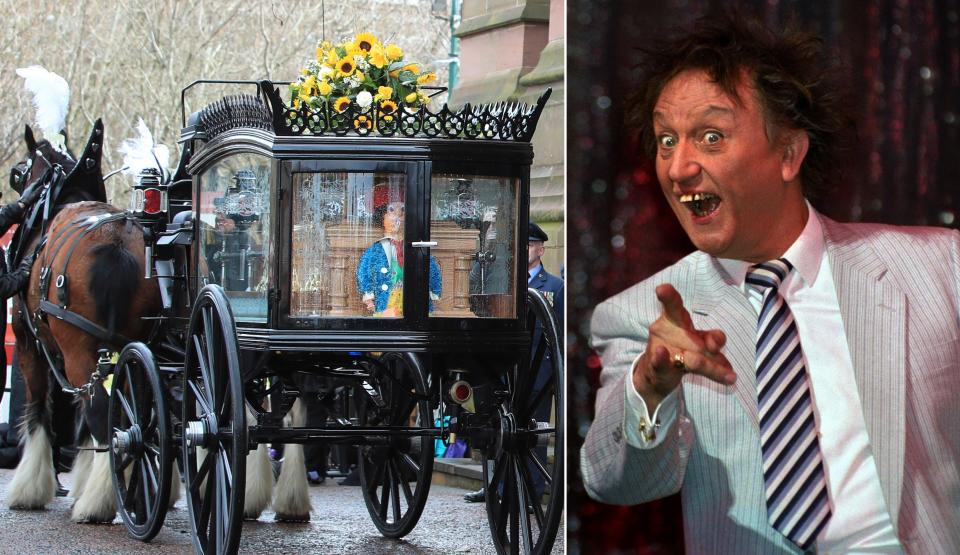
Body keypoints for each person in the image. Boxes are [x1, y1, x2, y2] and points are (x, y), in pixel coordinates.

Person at [580, 14, 959, 554]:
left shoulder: (940, 267)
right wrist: (649, 389)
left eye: (710, 136)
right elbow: (616, 481)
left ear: (788, 154)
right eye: (666, 141)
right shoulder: (641, 314)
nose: (679, 166)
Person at [465, 221, 564, 503]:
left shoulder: (555, 286)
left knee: (536, 435)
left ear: (542, 249)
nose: (526, 249)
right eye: (522, 245)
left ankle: (532, 492)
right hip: (507, 370)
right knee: (500, 429)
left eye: (531, 245)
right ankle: (496, 487)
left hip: (538, 372)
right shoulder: (504, 280)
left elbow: (559, 332)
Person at [356, 201, 441, 317]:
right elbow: (364, 273)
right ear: (383, 218)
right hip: (387, 305)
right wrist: (369, 297)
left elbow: (431, 270)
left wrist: (434, 294)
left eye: (403, 210)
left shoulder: (418, 248)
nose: (398, 214)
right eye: (391, 210)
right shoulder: (375, 251)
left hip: (413, 303)